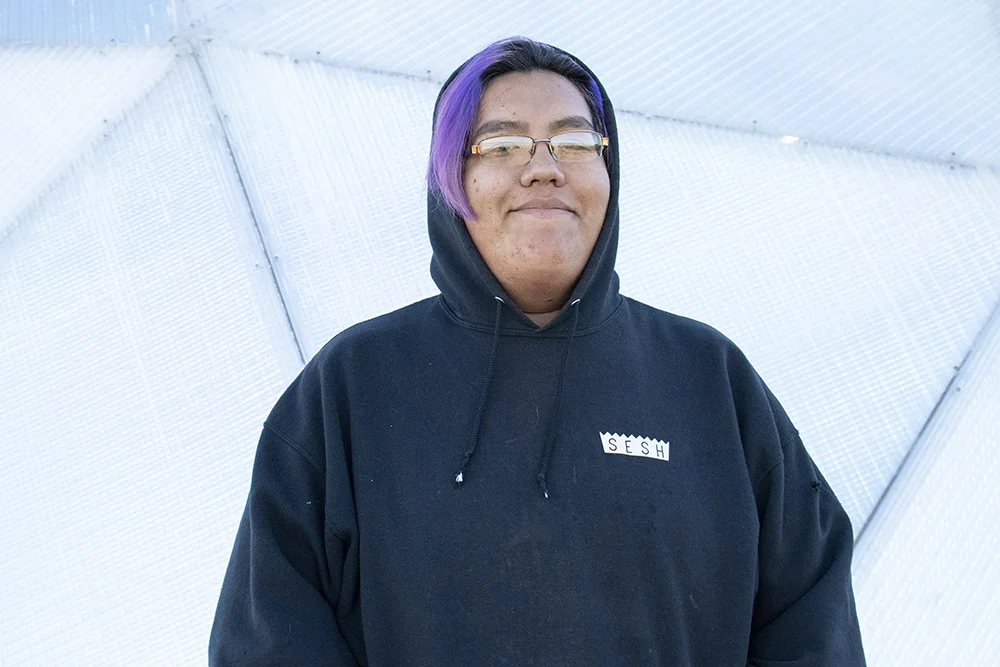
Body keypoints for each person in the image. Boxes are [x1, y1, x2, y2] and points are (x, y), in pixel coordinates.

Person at [209, 37, 866, 665]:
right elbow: (269, 639)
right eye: (502, 144)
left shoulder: (710, 381)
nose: (544, 167)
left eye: (575, 142)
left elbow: (812, 626)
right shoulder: (353, 387)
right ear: (450, 178)